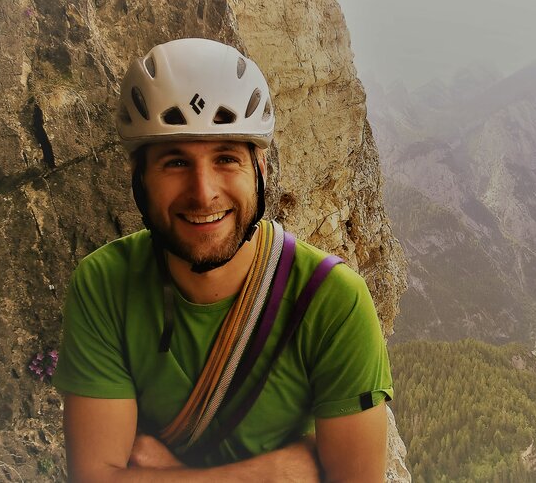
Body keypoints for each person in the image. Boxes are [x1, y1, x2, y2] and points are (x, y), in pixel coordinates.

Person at [52, 38, 393, 481]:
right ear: (139, 180)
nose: (203, 191)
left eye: (227, 158)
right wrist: (275, 473)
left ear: (261, 172)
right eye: (175, 162)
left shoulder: (331, 302)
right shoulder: (105, 284)